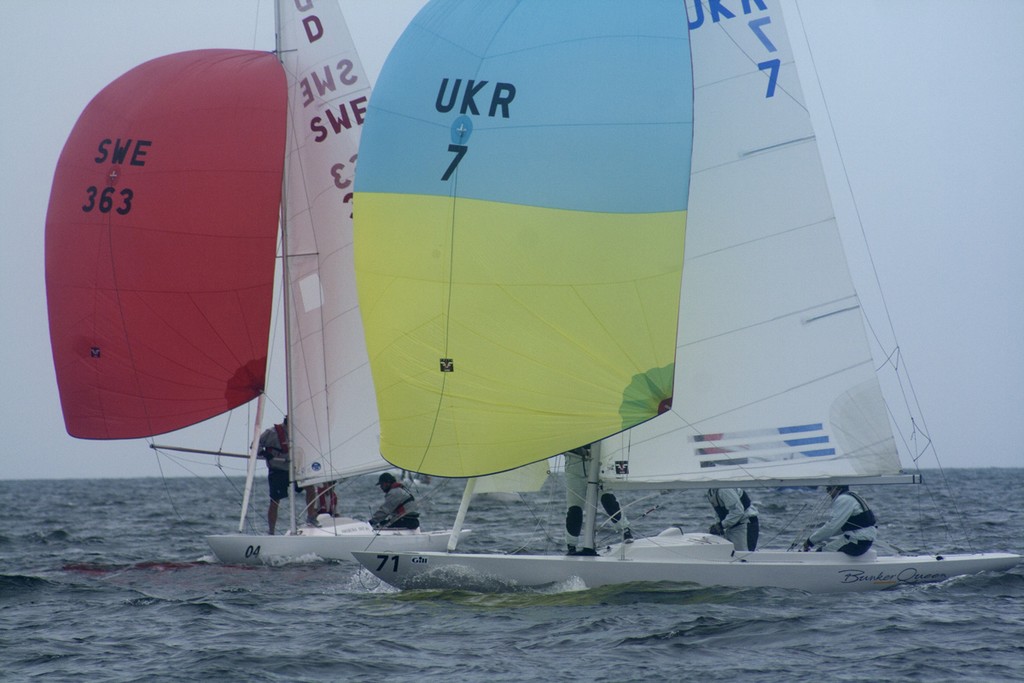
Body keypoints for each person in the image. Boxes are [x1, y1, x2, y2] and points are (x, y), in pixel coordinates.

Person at [564, 444, 632, 555]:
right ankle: (571, 546)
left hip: (599, 460)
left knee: (607, 499)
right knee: (574, 509)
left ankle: (625, 530)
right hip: (573, 465)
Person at [260, 415, 318, 534]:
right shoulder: (271, 433)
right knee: (275, 501)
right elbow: (255, 445)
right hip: (277, 470)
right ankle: (271, 531)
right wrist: (264, 453)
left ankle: (311, 517)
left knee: (311, 488)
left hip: (295, 470)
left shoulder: (299, 434)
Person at [802, 485, 877, 556]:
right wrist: (818, 539)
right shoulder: (852, 496)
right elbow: (840, 527)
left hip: (857, 542)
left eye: (829, 489)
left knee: (820, 553)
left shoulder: (843, 499)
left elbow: (832, 526)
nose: (828, 492)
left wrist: (810, 541)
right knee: (824, 549)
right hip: (864, 541)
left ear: (837, 488)